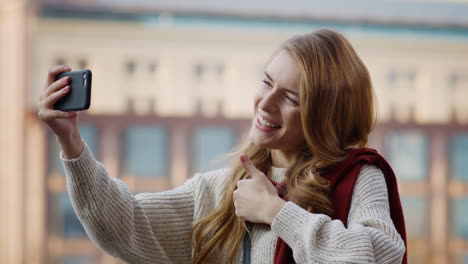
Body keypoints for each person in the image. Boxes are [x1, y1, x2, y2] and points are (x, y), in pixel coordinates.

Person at [38, 29, 407, 264]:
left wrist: (278, 212)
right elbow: (127, 225)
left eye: (291, 97)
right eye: (266, 82)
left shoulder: (359, 176)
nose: (265, 103)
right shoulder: (219, 190)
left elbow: (379, 256)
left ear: (325, 115)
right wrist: (70, 142)